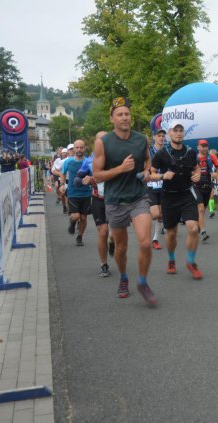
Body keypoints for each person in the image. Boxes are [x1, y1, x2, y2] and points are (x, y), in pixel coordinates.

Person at [92, 97, 157, 305]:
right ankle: (123, 277)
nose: (124, 117)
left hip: (138, 197)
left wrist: (147, 171)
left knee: (146, 243)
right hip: (115, 200)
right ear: (112, 119)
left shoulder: (141, 139)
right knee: (121, 248)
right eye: (119, 114)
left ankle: (143, 281)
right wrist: (121, 168)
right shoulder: (103, 143)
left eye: (127, 114)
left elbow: (148, 160)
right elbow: (97, 175)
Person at [150, 122, 203, 280]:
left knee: (193, 229)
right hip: (169, 196)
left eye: (181, 130)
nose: (179, 133)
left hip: (186, 194)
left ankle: (191, 262)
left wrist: (198, 174)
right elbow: (150, 174)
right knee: (172, 234)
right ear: (170, 134)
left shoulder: (191, 152)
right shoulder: (162, 154)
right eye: (175, 130)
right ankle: (172, 259)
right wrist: (162, 176)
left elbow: (196, 168)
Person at [76, 131, 112, 277]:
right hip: (98, 199)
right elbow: (77, 180)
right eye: (100, 140)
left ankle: (113, 242)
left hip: (116, 200)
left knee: (116, 234)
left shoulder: (118, 158)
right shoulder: (89, 161)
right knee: (103, 233)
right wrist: (83, 180)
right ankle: (104, 264)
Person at [60, 139, 92, 247]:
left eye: (81, 147)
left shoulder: (88, 162)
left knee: (83, 218)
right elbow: (62, 173)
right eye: (77, 147)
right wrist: (62, 184)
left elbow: (94, 175)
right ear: (73, 149)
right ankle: (72, 222)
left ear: (84, 148)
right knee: (75, 216)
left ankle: (80, 236)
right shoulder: (68, 161)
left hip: (86, 193)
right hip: (72, 193)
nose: (79, 149)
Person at [195, 139, 218, 241]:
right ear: (198, 147)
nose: (204, 148)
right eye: (202, 146)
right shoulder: (194, 158)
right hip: (196, 186)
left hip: (208, 186)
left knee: (203, 209)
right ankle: (203, 231)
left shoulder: (211, 157)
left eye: (206, 146)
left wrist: (217, 174)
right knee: (200, 208)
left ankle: (199, 225)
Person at [147, 128, 166, 250]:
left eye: (163, 136)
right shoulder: (148, 152)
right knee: (154, 214)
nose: (161, 138)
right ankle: (141, 218)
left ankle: (155, 239)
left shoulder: (167, 151)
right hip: (151, 186)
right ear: (154, 137)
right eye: (159, 136)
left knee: (161, 216)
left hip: (164, 187)